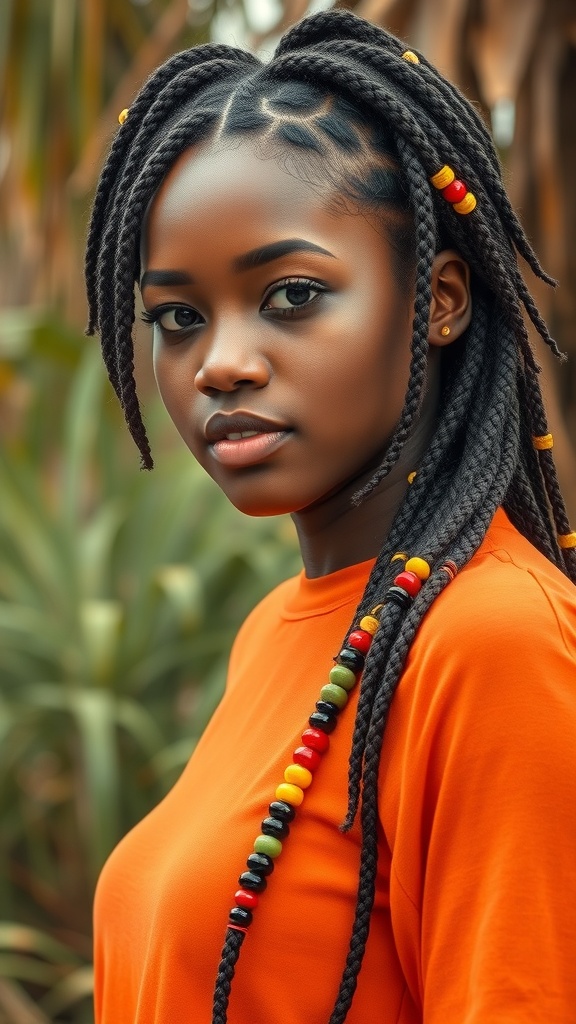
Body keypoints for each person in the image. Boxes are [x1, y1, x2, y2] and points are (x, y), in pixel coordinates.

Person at [84, 10, 576, 1023]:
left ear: (439, 298)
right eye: (178, 316)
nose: (220, 362)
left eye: (292, 294)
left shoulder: (493, 643)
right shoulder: (279, 630)